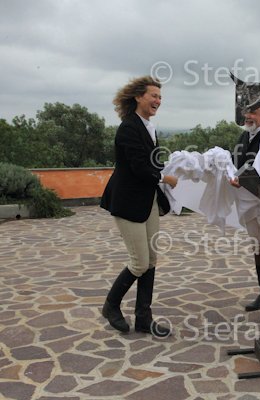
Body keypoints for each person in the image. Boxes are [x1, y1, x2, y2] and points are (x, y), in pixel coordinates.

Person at [100, 76, 178, 338]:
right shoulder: (128, 128)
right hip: (127, 202)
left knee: (151, 260)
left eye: (160, 97)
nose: (158, 100)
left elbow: (152, 163)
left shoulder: (149, 127)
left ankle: (144, 318)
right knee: (139, 262)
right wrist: (165, 178)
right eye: (153, 95)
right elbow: (139, 167)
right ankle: (111, 305)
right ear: (138, 97)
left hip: (149, 201)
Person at [229, 106, 260, 312]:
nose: (248, 116)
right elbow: (236, 161)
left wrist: (244, 179)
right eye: (247, 112)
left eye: (253, 112)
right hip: (247, 199)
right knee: (258, 248)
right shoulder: (245, 135)